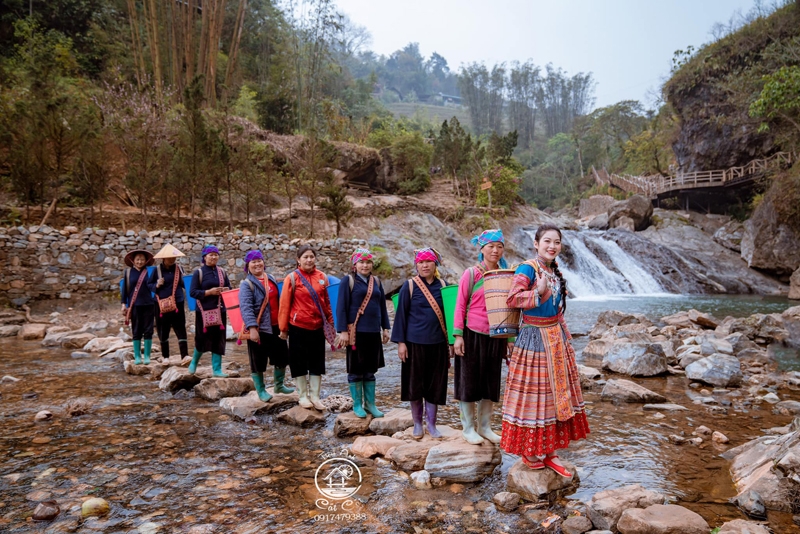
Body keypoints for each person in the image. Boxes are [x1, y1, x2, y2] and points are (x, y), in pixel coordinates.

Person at [501, 224, 589, 477]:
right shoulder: (527, 268)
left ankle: (550, 451)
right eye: (547, 241)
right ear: (536, 244)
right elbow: (512, 298)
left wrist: (567, 339)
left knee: (555, 396)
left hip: (556, 338)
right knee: (534, 397)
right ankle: (529, 452)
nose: (552, 246)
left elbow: (557, 309)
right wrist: (536, 292)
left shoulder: (554, 269)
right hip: (534, 338)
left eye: (557, 242)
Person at [453, 229, 510, 445]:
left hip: (497, 335)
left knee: (490, 382)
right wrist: (458, 336)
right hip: (472, 334)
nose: (495, 250)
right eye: (491, 246)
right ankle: (468, 428)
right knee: (468, 381)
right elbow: (460, 304)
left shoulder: (506, 274)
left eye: (499, 246)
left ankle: (485, 427)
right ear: (482, 249)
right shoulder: (472, 273)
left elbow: (511, 308)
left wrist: (510, 339)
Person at [390, 247, 452, 439]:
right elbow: (401, 316)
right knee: (415, 385)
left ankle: (431, 425)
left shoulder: (444, 285)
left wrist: (450, 342)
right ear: (416, 265)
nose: (425, 265)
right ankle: (417, 424)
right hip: (414, 344)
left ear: (435, 264)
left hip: (438, 344)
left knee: (435, 386)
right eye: (421, 262)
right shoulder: (409, 286)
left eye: (429, 262)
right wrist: (401, 343)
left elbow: (450, 316)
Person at [335, 248, 391, 419]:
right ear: (355, 264)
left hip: (373, 331)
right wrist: (343, 331)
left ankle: (371, 404)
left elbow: (382, 306)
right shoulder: (348, 281)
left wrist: (386, 328)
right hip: (355, 333)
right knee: (356, 369)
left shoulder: (377, 282)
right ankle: (357, 405)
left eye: (368, 262)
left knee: (370, 370)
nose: (365, 265)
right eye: (361, 262)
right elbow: (341, 307)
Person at [278, 245, 334, 411]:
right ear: (298, 260)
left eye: (311, 256)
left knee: (317, 362)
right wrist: (283, 328)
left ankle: (315, 396)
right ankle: (303, 395)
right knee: (298, 362)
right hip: (298, 327)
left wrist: (331, 323)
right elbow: (284, 305)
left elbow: (327, 303)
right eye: (305, 257)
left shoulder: (322, 277)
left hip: (318, 327)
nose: (309, 260)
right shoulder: (292, 278)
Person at [239, 250, 294, 402]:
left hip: (276, 326)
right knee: (258, 360)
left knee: (282, 357)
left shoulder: (270, 278)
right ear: (247, 266)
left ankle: (279, 385)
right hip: (259, 328)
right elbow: (246, 308)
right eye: (253, 262)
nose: (257, 264)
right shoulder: (247, 284)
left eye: (259, 260)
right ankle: (261, 390)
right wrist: (252, 328)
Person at [188, 245, 232, 377]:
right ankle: (194, 362)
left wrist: (225, 290)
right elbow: (193, 292)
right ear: (204, 257)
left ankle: (217, 369)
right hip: (203, 311)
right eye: (211, 254)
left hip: (220, 310)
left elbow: (229, 287)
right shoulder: (199, 273)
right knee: (202, 338)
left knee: (219, 339)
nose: (213, 257)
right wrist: (208, 292)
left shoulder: (222, 272)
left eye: (216, 254)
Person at [148, 244, 188, 362]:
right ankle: (165, 356)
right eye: (169, 257)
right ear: (163, 258)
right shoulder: (157, 270)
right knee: (162, 329)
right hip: (161, 304)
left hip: (178, 302)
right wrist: (157, 284)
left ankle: (184, 355)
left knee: (180, 327)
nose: (172, 259)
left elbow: (184, 285)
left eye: (173, 257)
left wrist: (184, 280)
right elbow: (149, 285)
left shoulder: (179, 269)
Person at [121, 249, 155, 365]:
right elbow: (124, 290)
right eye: (138, 259)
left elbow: (153, 288)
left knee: (148, 330)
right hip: (134, 305)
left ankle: (147, 356)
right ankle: (137, 356)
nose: (140, 262)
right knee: (136, 330)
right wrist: (123, 304)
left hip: (149, 304)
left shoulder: (150, 273)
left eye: (142, 259)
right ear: (133, 260)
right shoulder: (128, 273)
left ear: (146, 261)